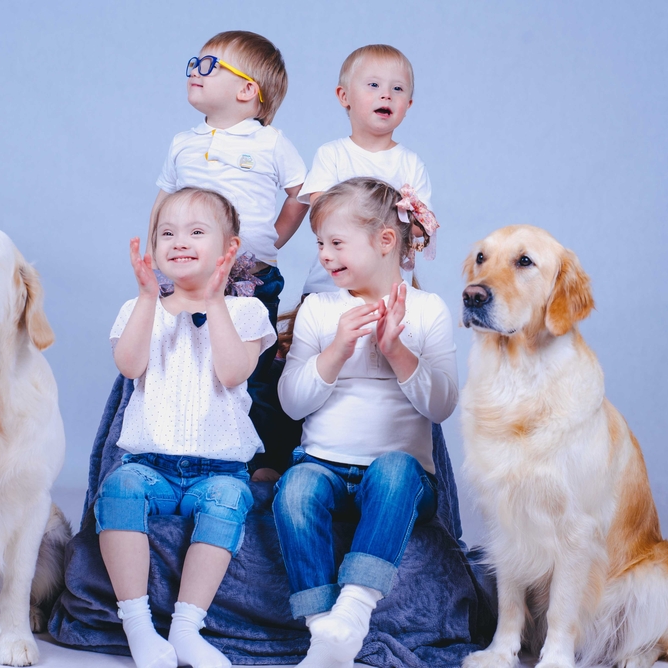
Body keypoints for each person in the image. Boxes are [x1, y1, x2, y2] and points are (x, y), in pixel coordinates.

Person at [273, 177, 456, 667]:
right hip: (323, 463)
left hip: (401, 476)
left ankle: (353, 610)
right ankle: (323, 632)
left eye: (336, 243)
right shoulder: (319, 309)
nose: (325, 256)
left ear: (385, 241)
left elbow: (441, 406)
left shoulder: (427, 310)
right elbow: (293, 403)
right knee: (295, 489)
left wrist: (397, 352)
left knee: (394, 470)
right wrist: (334, 352)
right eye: (319, 245)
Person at [97, 188, 276, 668]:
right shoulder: (141, 309)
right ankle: (137, 625)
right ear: (153, 248)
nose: (180, 241)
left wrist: (214, 302)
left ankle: (186, 628)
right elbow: (129, 365)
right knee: (118, 489)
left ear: (228, 249)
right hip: (148, 464)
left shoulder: (246, 312)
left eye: (197, 232)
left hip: (218, 467)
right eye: (167, 233)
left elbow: (234, 371)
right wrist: (146, 297)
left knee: (229, 500)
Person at [149, 30, 308, 479]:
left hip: (250, 273)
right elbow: (163, 204)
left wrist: (272, 238)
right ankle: (189, 452)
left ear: (246, 90)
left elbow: (302, 194)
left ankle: (263, 461)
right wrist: (156, 258)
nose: (194, 73)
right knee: (191, 363)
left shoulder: (269, 142)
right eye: (193, 63)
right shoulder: (183, 142)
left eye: (208, 66)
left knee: (253, 371)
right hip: (188, 278)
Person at [297, 45, 434, 294]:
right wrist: (388, 215)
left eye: (398, 88)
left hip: (388, 287)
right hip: (331, 286)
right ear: (344, 96)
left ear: (409, 104)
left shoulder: (411, 163)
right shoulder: (332, 155)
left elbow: (422, 226)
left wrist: (402, 222)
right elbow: (320, 214)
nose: (387, 95)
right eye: (373, 85)